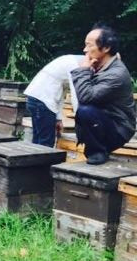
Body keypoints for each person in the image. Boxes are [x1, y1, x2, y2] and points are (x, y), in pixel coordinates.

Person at [71, 25, 136, 165]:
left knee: (85, 110)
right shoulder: (101, 66)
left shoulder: (116, 74)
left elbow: (85, 97)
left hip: (119, 129)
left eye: (89, 45)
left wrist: (83, 71)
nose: (85, 50)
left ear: (106, 48)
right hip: (104, 122)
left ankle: (98, 152)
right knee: (85, 110)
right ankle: (95, 149)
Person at [24, 55, 81, 147]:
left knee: (38, 141)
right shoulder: (76, 65)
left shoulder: (69, 61)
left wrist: (58, 118)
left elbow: (61, 92)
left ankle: (36, 161)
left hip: (37, 99)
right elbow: (76, 95)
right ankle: (42, 161)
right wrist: (81, 119)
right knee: (45, 144)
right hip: (42, 100)